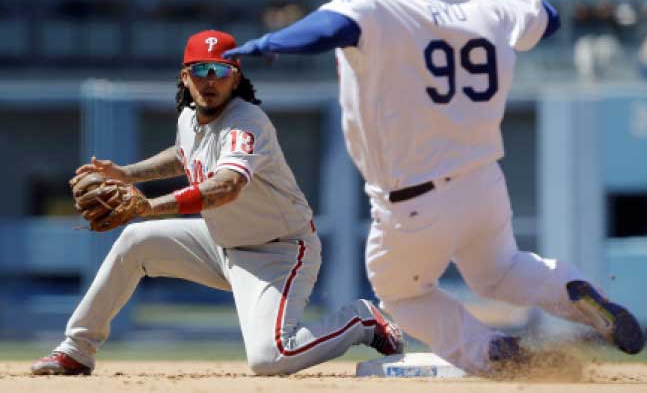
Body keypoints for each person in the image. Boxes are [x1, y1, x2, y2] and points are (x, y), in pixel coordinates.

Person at [223, 0, 645, 376]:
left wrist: (268, 43)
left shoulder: (373, 0)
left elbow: (328, 29)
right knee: (502, 271)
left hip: (413, 201)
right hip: (483, 183)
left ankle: (490, 351)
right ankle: (575, 287)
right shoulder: (485, 3)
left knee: (401, 294)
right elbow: (546, 16)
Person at [30, 30, 403, 376]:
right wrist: (128, 174)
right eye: (201, 70)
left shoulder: (246, 122)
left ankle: (361, 320)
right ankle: (76, 349)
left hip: (278, 252)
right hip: (220, 241)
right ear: (185, 77)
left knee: (270, 359)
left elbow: (226, 186)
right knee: (134, 242)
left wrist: (149, 207)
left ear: (236, 78)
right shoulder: (190, 118)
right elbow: (184, 155)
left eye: (220, 70)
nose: (210, 79)